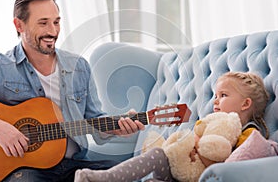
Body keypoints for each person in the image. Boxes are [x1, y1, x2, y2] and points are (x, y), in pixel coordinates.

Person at [0, 0, 145, 182]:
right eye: (43, 23)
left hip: (75, 165)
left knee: (128, 175)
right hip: (24, 171)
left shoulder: (79, 67)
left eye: (56, 22)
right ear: (19, 25)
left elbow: (95, 119)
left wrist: (117, 127)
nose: (52, 31)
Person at [75, 71, 270, 182]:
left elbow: (226, 172)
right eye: (215, 96)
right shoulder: (211, 123)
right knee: (158, 159)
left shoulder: (249, 135)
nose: (215, 101)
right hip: (179, 175)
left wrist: (198, 147)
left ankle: (103, 179)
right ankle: (105, 178)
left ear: (245, 104)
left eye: (223, 96)